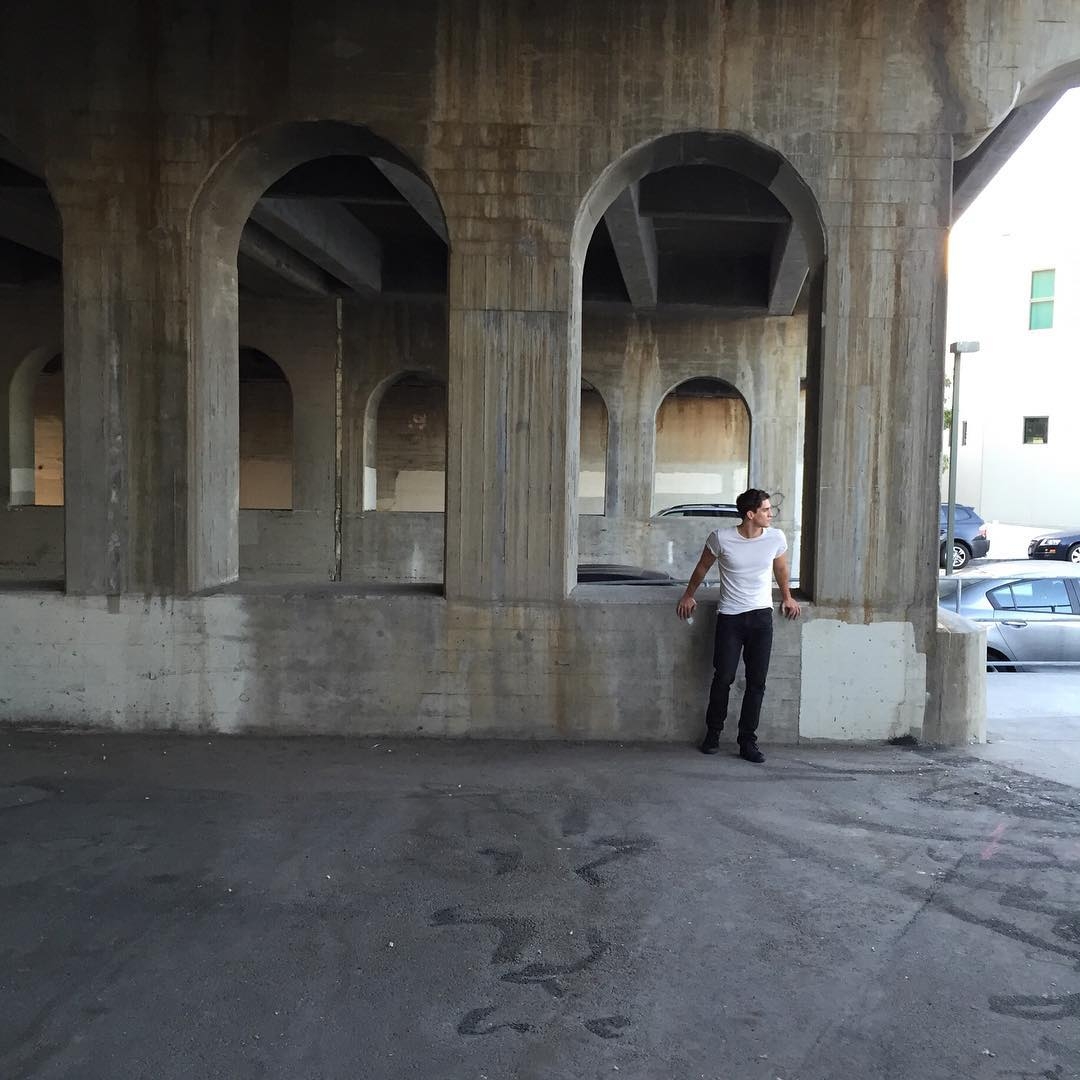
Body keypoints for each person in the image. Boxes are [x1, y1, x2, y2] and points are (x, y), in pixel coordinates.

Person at [675, 488, 800, 763]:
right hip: (730, 617)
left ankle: (747, 741)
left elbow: (781, 569)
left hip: (761, 618)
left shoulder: (776, 538)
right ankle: (713, 734)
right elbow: (702, 568)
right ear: (750, 514)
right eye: (766, 510)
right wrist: (688, 595)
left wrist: (788, 597)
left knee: (757, 682)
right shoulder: (721, 538)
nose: (771, 514)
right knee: (723, 677)